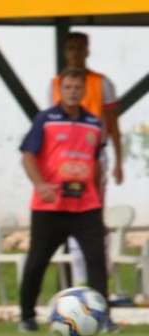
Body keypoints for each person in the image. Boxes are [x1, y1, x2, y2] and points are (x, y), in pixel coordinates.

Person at [18, 68, 113, 333]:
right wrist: (39, 184)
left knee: (97, 261)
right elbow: (27, 155)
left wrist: (99, 202)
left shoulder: (94, 123)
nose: (72, 92)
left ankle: (103, 318)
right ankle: (26, 316)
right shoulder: (45, 120)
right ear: (61, 90)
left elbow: (95, 163)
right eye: (68, 87)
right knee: (38, 260)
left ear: (84, 91)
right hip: (50, 206)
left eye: (77, 88)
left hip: (86, 206)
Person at [48, 32, 124, 287]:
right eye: (70, 48)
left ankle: (98, 272)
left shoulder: (102, 83)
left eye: (80, 48)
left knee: (92, 211)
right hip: (63, 158)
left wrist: (119, 162)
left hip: (92, 154)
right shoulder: (55, 84)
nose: (75, 53)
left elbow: (112, 123)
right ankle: (80, 278)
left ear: (87, 51)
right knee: (68, 209)